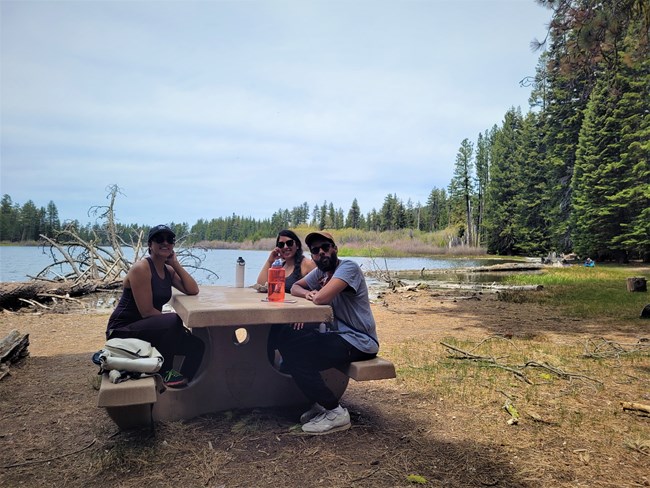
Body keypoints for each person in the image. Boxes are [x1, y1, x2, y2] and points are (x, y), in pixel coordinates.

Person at [277, 231, 379, 435]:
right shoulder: (322, 273)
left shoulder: (347, 267)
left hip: (360, 341)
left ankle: (335, 412)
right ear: (312, 255)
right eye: (315, 250)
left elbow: (321, 298)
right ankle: (320, 404)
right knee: (287, 347)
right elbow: (296, 287)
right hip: (338, 337)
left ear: (334, 249)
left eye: (325, 247)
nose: (321, 252)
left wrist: (315, 294)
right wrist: (308, 292)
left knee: (296, 352)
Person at [106, 224, 205, 388]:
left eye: (170, 240)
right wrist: (177, 327)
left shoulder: (168, 270)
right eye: (160, 239)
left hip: (149, 329)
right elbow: (146, 312)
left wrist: (175, 264)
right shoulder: (141, 268)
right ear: (150, 245)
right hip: (122, 330)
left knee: (197, 345)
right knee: (173, 320)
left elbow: (192, 289)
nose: (165, 243)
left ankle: (183, 388)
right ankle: (165, 372)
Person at [256, 230, 316, 365]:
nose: (285, 247)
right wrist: (270, 260)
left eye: (289, 243)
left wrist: (304, 314)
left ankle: (283, 366)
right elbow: (261, 284)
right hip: (280, 314)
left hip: (299, 318)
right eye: (281, 244)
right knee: (262, 330)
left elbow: (319, 290)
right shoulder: (280, 266)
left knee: (275, 333)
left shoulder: (306, 264)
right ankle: (268, 367)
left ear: (297, 245)